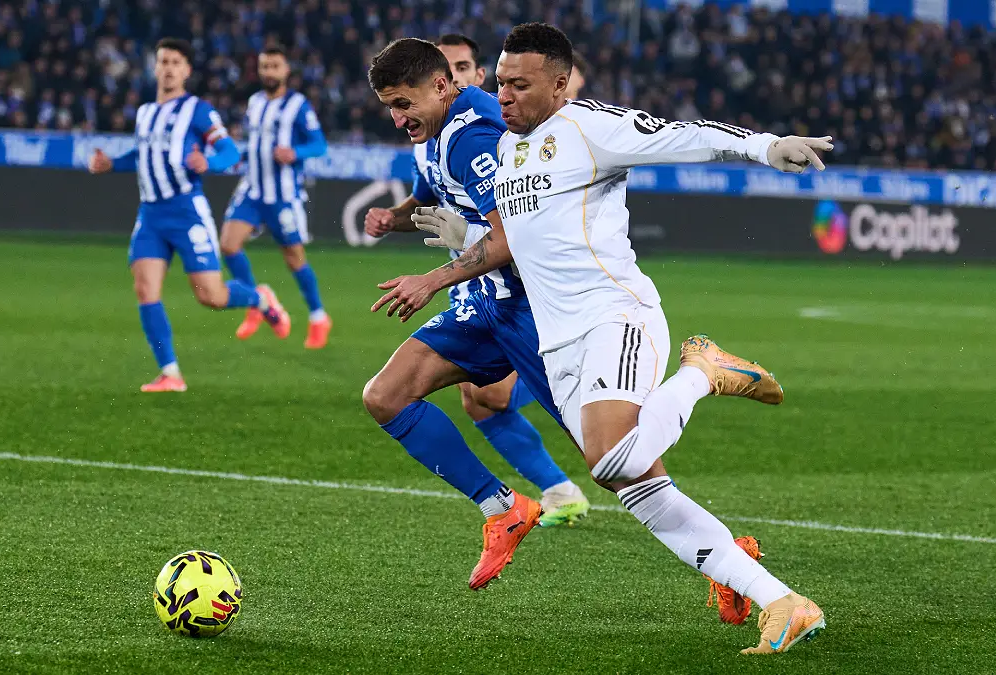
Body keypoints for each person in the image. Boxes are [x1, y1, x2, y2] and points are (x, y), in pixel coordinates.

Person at [377, 23, 834, 654]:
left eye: (519, 84)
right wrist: (460, 244)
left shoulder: (589, 129)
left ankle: (704, 372)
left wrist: (766, 146)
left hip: (614, 315)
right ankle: (781, 601)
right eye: (500, 82)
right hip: (558, 341)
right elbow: (513, 237)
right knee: (635, 485)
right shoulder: (508, 150)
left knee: (611, 458)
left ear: (560, 85)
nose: (501, 95)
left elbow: (683, 137)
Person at [362, 37, 604, 590]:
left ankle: (727, 556)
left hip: (530, 309)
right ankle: (504, 507)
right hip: (481, 303)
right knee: (385, 395)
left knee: (611, 460)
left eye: (405, 105)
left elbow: (513, 234)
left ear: (443, 86)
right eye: (390, 108)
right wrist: (393, 219)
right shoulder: (435, 137)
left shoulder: (473, 137)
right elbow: (430, 199)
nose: (398, 119)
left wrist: (432, 277)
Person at [88, 37, 289, 392]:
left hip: (186, 212)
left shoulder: (197, 110)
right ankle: (171, 373)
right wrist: (111, 165)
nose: (168, 68)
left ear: (187, 70)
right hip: (150, 215)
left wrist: (208, 162)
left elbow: (229, 152)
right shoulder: (146, 112)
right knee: (145, 289)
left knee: (210, 296)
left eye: (176, 62)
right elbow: (143, 155)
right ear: (155, 67)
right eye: (163, 61)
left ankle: (260, 298)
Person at [223, 46, 332, 349]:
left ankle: (318, 316)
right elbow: (254, 142)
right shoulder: (254, 102)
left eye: (274, 66)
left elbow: (319, 145)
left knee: (294, 259)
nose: (268, 72)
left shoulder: (298, 105)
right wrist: (240, 156)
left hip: (283, 195)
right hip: (252, 190)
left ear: (286, 71)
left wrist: (295, 152)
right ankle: (257, 303)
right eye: (264, 66)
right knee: (228, 245)